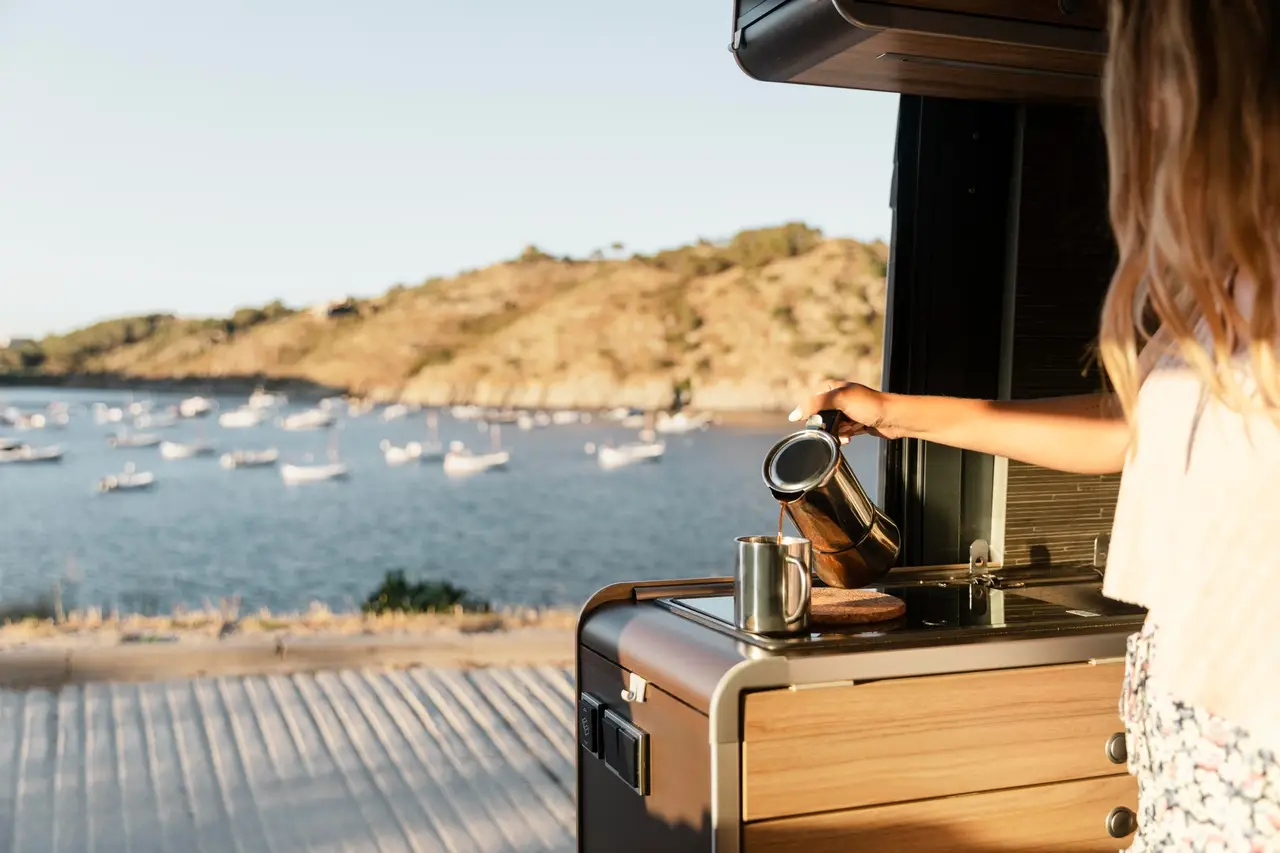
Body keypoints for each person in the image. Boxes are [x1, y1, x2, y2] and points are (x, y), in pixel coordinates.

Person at [790, 1, 1280, 849]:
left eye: (1149, 80)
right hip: (1190, 730)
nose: (1135, 114)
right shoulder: (1223, 279)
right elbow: (1122, 432)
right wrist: (893, 411)